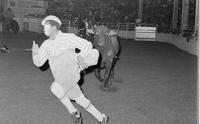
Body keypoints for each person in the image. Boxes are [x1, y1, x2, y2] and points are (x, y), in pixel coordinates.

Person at [32, 15, 109, 124]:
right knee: (80, 99)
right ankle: (101, 118)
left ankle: (74, 113)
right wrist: (35, 53)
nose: (43, 29)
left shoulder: (68, 38)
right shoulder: (46, 45)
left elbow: (87, 45)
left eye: (46, 26)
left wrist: (81, 56)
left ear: (54, 27)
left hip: (72, 72)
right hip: (61, 77)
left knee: (55, 87)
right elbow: (39, 63)